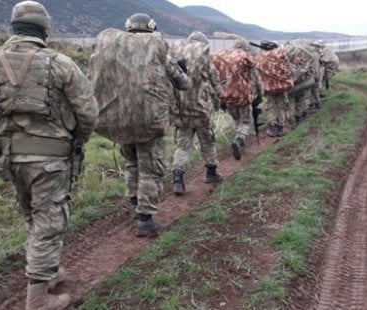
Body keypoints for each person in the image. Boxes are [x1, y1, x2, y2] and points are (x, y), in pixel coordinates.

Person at [0, 1, 99, 309]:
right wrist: (78, 140)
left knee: (33, 216)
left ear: (14, 28)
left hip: (10, 158)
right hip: (50, 160)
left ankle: (48, 273)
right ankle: (38, 299)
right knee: (49, 221)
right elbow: (88, 112)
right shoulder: (61, 63)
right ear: (43, 29)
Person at [89, 13, 191, 237]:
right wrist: (181, 69)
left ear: (129, 27)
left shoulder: (112, 48)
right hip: (149, 120)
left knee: (131, 163)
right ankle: (145, 218)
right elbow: (183, 83)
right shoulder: (157, 47)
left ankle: (134, 203)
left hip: (118, 119)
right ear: (151, 28)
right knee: (150, 167)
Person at [169, 31, 224, 195]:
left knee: (182, 145)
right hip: (201, 109)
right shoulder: (205, 58)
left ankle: (178, 177)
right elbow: (216, 84)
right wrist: (220, 98)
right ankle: (211, 173)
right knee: (208, 141)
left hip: (181, 111)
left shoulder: (175, 59)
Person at [213, 37, 263, 160]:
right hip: (243, 94)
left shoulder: (221, 54)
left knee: (236, 119)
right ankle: (239, 140)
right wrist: (259, 95)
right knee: (246, 121)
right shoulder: (245, 55)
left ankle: (240, 143)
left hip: (226, 94)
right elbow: (255, 75)